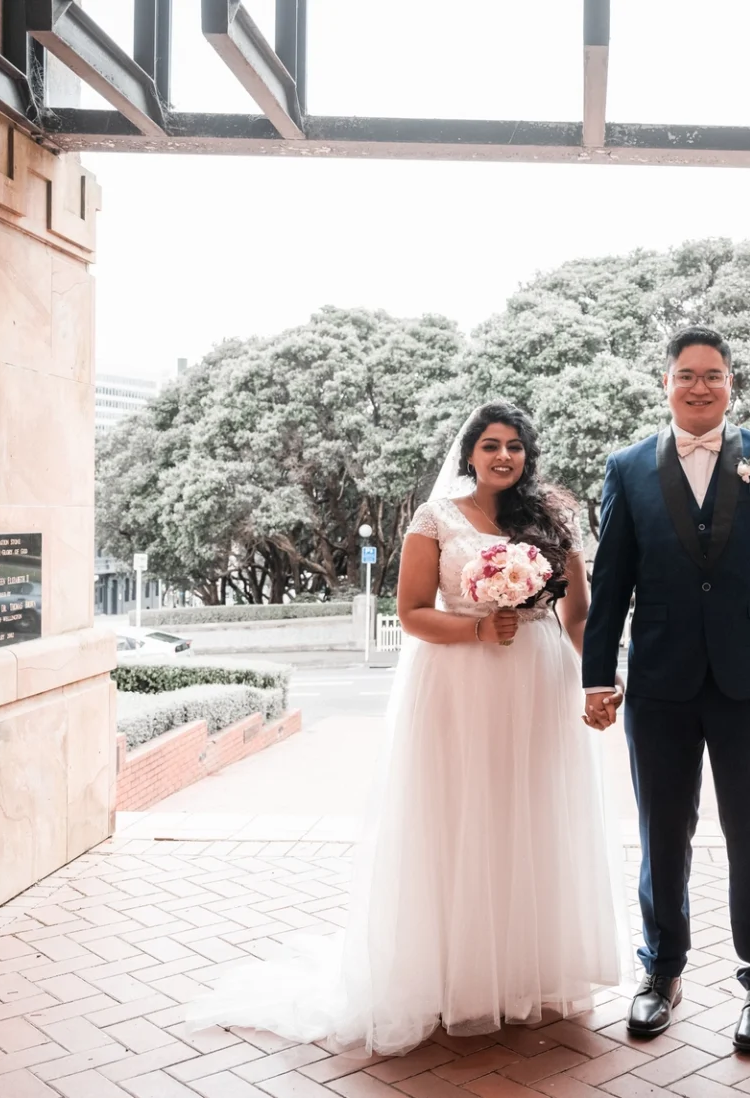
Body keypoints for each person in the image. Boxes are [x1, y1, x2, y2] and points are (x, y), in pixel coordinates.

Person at [188, 402, 626, 1055]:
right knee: (461, 816)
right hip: (461, 682)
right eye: (490, 445)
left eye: (514, 446)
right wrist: (481, 626)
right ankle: (460, 975)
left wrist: (599, 679)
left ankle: (528, 971)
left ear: (528, 455)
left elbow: (578, 615)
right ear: (469, 454)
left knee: (531, 815)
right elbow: (414, 613)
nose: (503, 456)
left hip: (539, 681)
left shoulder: (553, 520)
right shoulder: (435, 520)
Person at [581, 325, 750, 1053]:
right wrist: (597, 674)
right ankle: (661, 973)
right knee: (661, 834)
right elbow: (611, 581)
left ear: (730, 383)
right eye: (687, 374)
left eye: (713, 374)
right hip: (658, 682)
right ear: (666, 383)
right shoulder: (626, 468)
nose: (700, 386)